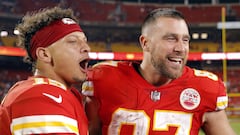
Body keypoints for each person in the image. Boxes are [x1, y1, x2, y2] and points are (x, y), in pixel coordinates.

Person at [82, 8, 236, 135]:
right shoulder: (104, 79)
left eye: (185, 40)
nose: (181, 48)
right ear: (145, 43)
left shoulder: (205, 88)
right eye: (171, 38)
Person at [0, 6, 90, 135]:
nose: (86, 48)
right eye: (72, 41)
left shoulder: (66, 95)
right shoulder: (40, 95)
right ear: (45, 55)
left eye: (85, 41)